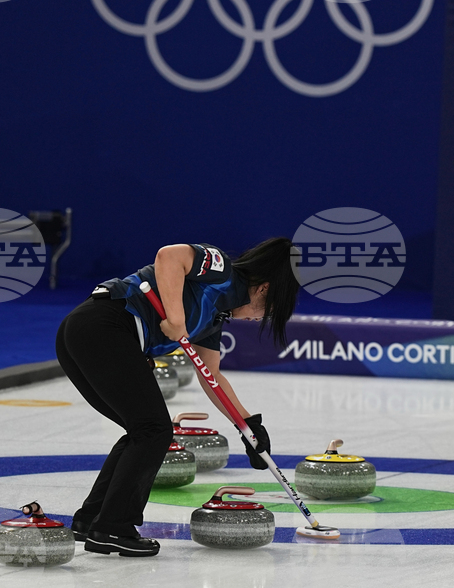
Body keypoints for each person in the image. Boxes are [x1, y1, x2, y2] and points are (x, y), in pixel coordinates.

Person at [55, 238, 299, 556]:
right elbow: (169, 256)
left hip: (90, 335)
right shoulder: (222, 271)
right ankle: (112, 528)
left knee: (143, 430)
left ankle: (92, 521)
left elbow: (212, 377)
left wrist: (247, 425)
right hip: (103, 326)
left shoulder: (215, 317)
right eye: (267, 312)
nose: (257, 319)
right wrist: (176, 318)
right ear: (264, 289)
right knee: (153, 430)